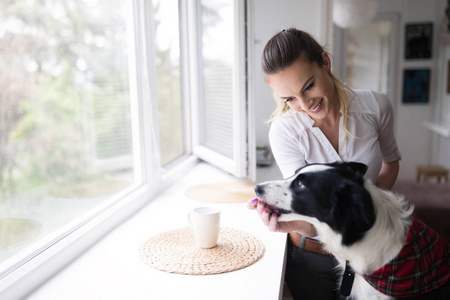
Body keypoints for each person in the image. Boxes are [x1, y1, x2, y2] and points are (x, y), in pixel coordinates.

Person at [247, 28, 401, 300]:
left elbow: (391, 163)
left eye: (308, 86)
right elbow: (306, 211)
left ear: (325, 63)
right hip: (313, 255)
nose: (306, 103)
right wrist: (287, 225)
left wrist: (369, 209)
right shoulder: (284, 133)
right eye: (290, 98)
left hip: (373, 253)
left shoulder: (376, 107)